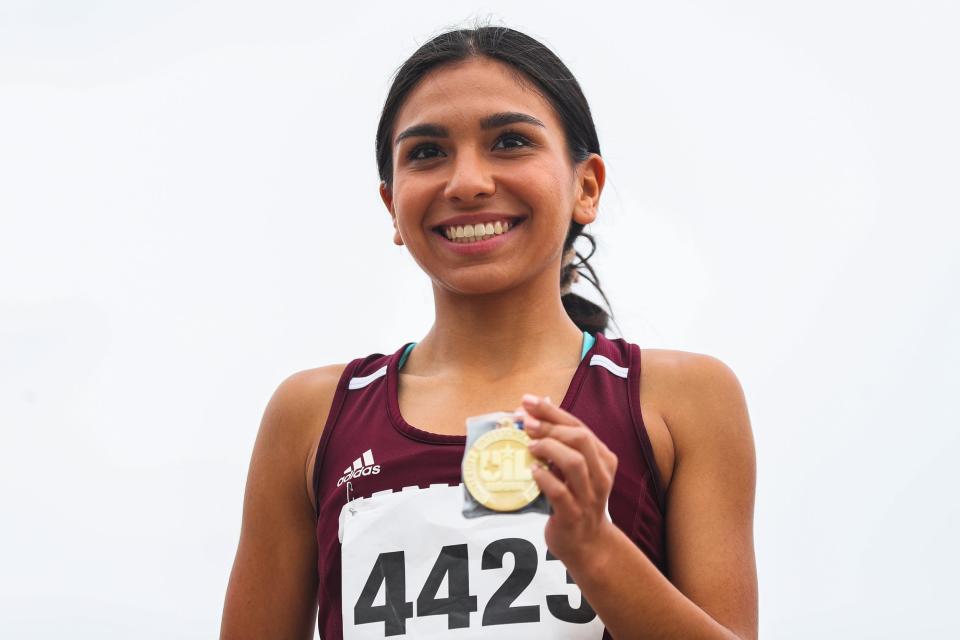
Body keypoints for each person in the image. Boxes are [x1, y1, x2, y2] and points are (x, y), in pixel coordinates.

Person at [220, 25, 757, 640]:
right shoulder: (311, 414)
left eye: (509, 142)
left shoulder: (679, 397)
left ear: (587, 187)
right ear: (391, 205)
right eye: (426, 152)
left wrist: (595, 550)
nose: (467, 182)